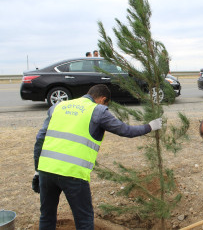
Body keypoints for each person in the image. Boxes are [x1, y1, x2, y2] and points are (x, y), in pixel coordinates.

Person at [31, 84, 163, 230]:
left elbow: (40, 140)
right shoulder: (97, 110)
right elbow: (126, 130)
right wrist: (150, 126)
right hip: (73, 173)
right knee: (84, 220)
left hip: (46, 170)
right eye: (107, 104)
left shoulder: (58, 107)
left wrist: (37, 170)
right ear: (103, 99)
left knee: (47, 216)